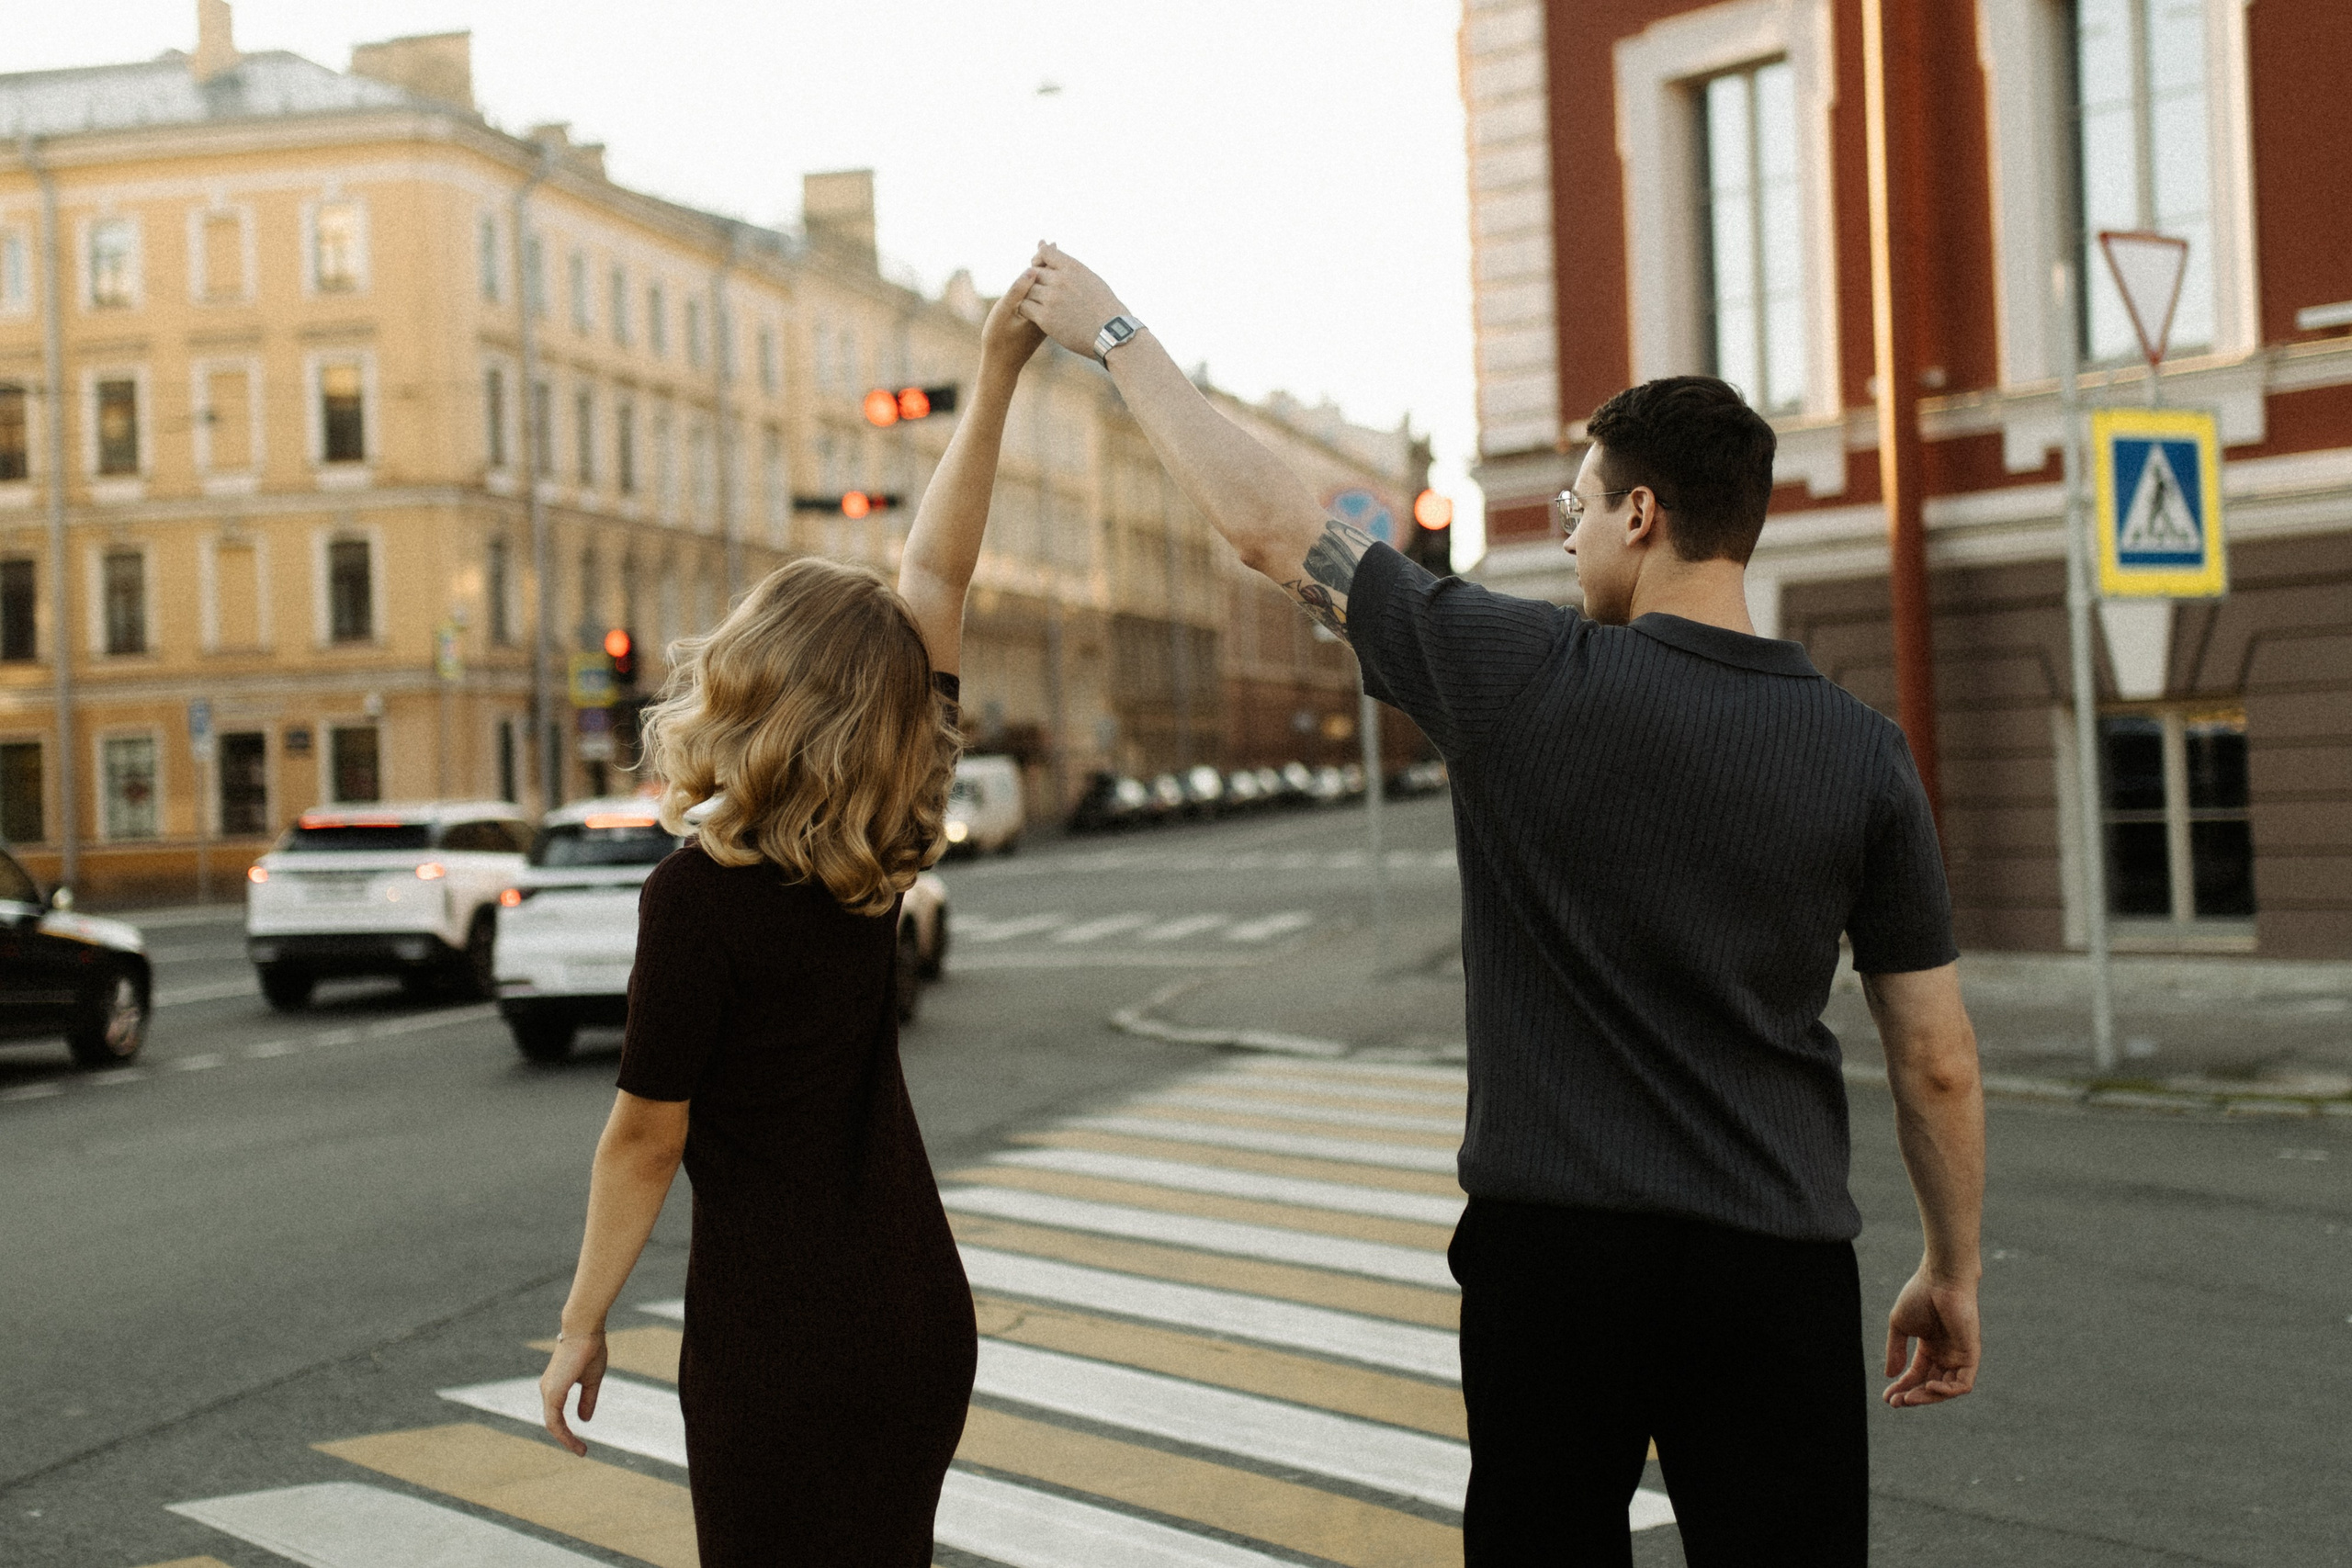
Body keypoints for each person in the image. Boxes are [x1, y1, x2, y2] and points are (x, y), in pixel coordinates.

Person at [1018, 247, 1984, 1565]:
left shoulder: (1522, 675)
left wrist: (1117, 332)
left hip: (1556, 1261)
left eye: (1579, 508)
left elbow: (1268, 529)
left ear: (1643, 514)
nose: (1565, 535)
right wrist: (1951, 1269)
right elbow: (1933, 1061)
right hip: (1775, 1261)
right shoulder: (1864, 754)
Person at [535, 269, 1048, 1565]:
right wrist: (993, 372)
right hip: (916, 1311)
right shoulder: (880, 853)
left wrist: (581, 1322)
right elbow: (938, 568)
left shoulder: (694, 900)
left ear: (749, 690)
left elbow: (645, 1140)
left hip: (779, 1339)